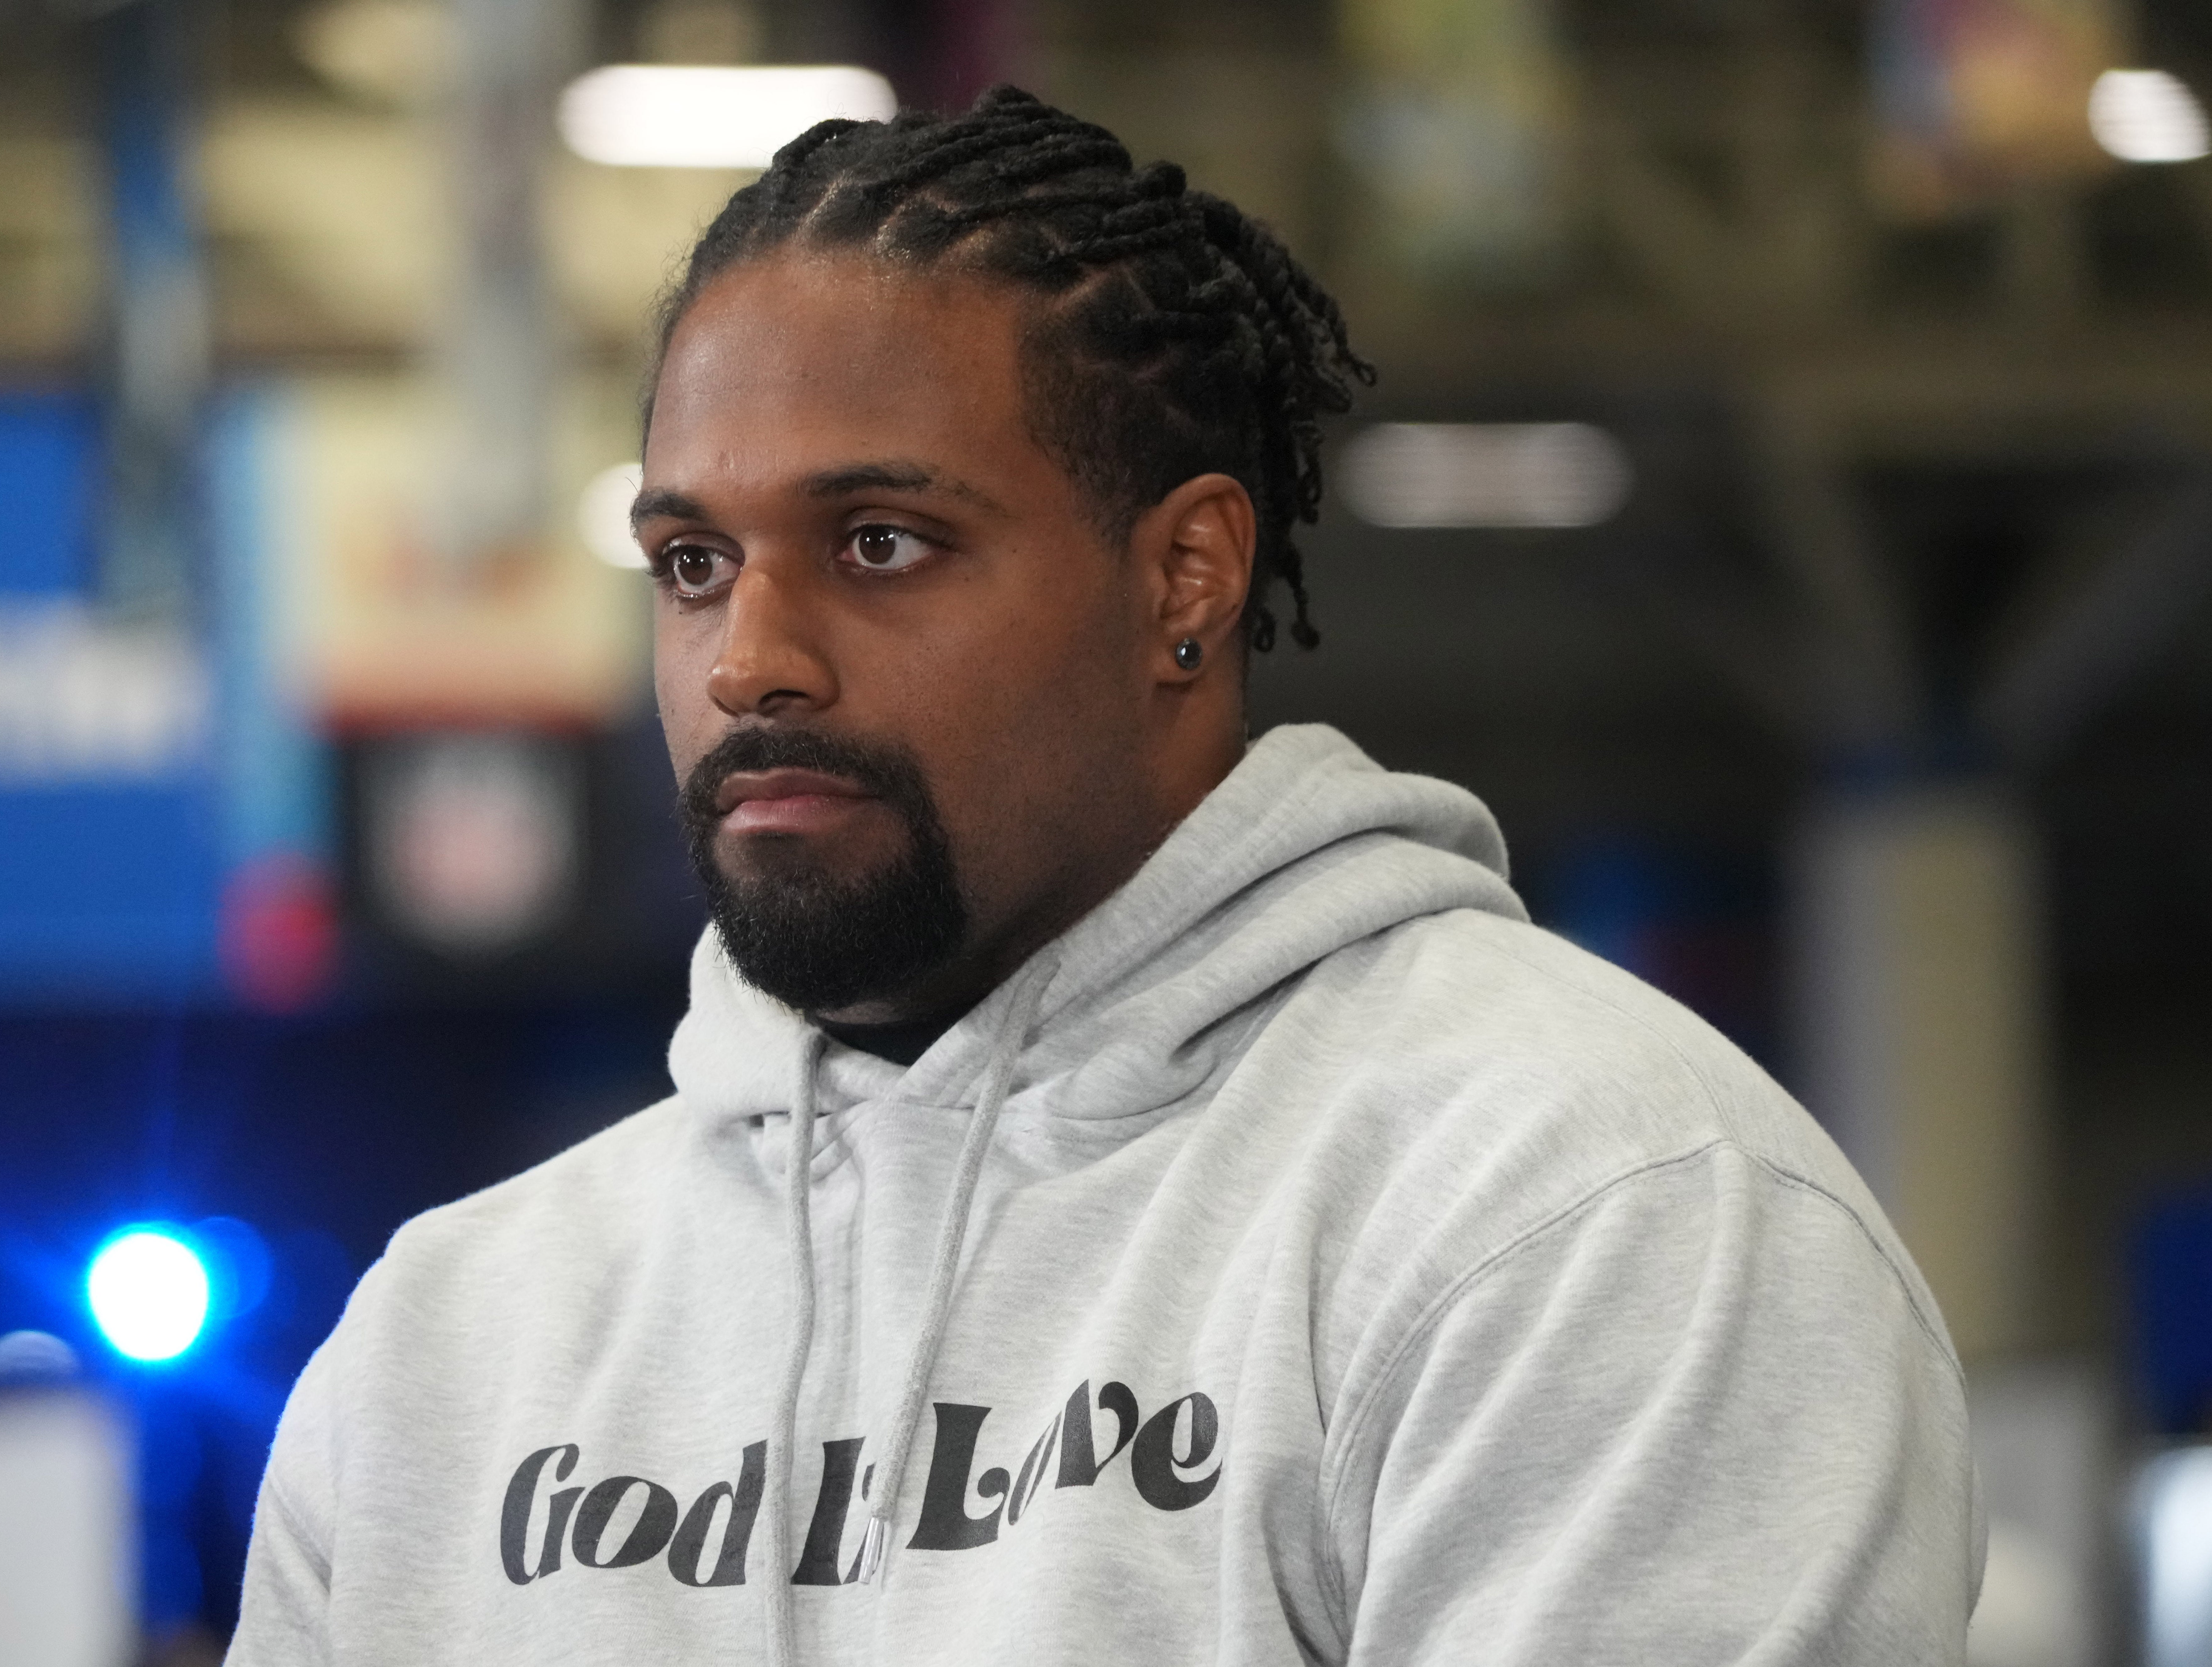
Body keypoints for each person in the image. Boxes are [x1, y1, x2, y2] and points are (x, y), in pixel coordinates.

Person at [227, 88, 1978, 1666]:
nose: (749, 658)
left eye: (880, 543)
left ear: (1186, 578)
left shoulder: (1585, 1206)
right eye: (692, 560)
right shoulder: (448, 1343)